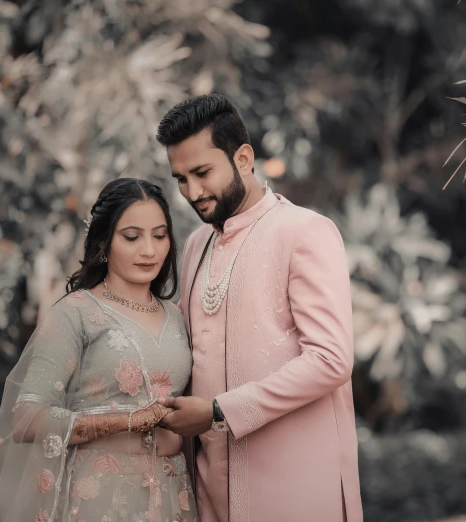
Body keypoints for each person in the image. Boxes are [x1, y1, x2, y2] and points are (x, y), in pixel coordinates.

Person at [154, 94, 362, 522]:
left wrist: (217, 412)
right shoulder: (195, 245)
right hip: (208, 487)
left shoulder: (305, 231)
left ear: (243, 157)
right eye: (180, 178)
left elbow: (331, 359)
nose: (192, 192)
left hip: (293, 488)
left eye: (202, 173)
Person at [0, 178, 198, 522]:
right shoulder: (77, 312)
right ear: (104, 242)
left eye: (159, 236)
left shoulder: (177, 317)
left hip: (172, 494)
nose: (149, 250)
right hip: (99, 496)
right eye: (132, 237)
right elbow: (26, 419)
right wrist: (127, 421)